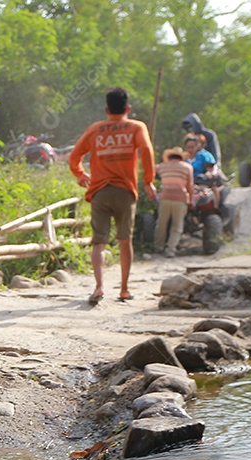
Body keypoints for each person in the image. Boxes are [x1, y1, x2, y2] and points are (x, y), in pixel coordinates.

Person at [68, 86, 156, 304]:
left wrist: (80, 174)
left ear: (107, 109)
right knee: (125, 240)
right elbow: (146, 150)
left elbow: (74, 156)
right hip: (126, 192)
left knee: (99, 242)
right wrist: (148, 181)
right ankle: (124, 289)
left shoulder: (95, 129)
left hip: (99, 191)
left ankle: (99, 287)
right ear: (128, 108)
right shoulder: (136, 127)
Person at [153, 147, 194, 258]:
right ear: (181, 157)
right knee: (177, 226)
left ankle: (158, 247)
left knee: (161, 224)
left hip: (165, 197)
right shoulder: (187, 167)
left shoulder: (163, 166)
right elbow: (190, 186)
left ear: (169, 157)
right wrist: (190, 199)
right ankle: (170, 250)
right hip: (180, 199)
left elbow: (152, 169)